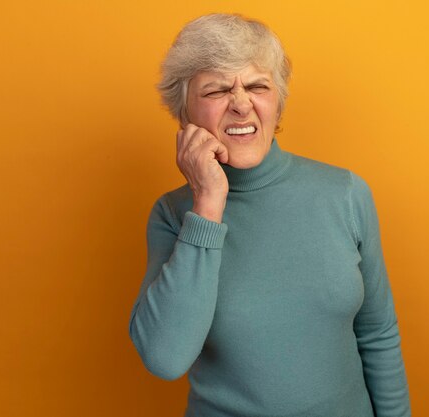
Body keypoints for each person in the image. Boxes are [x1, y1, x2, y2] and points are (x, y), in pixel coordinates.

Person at [129, 13, 411, 417]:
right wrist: (208, 203)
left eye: (258, 86)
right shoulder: (173, 215)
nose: (241, 104)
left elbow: (378, 332)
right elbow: (165, 358)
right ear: (184, 114)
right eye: (217, 90)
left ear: (277, 104)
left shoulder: (346, 193)